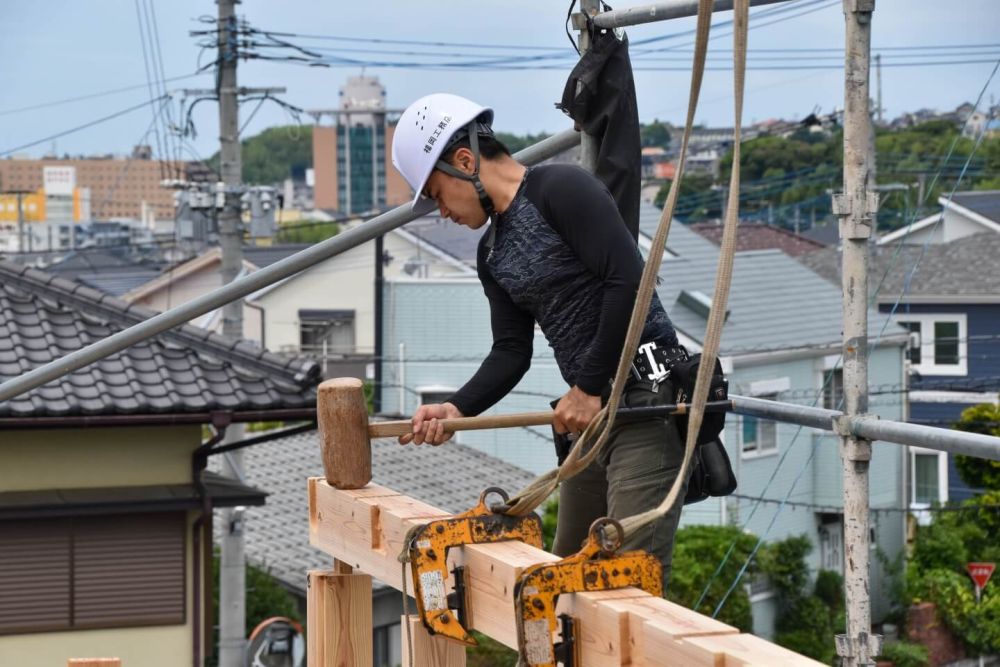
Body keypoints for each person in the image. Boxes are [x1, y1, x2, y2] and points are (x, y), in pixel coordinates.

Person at [391, 93, 690, 585]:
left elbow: (627, 282)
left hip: (646, 400)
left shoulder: (562, 188)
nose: (440, 211)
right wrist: (457, 408)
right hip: (589, 417)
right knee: (564, 580)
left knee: (625, 582)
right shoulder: (492, 253)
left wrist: (588, 387)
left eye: (438, 194)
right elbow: (512, 351)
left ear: (464, 161)